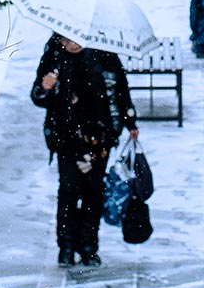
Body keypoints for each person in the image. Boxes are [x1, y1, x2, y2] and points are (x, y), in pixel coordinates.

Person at [30, 32, 138, 266]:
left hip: (99, 137)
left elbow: (119, 87)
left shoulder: (103, 52)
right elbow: (38, 96)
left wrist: (130, 121)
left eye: (76, 40)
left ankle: (89, 246)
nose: (72, 45)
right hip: (66, 136)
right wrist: (45, 87)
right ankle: (66, 247)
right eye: (66, 40)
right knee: (69, 189)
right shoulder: (54, 55)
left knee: (93, 191)